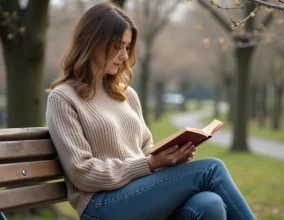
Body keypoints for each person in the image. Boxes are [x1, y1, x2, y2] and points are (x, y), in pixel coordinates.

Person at [46, 2, 256, 220]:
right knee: (211, 169)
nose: (125, 55)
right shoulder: (63, 98)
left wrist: (171, 158)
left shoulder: (127, 95)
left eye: (127, 47)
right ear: (92, 42)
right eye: (118, 46)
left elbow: (146, 149)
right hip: (101, 203)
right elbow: (83, 173)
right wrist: (147, 164)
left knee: (209, 204)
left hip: (140, 194)